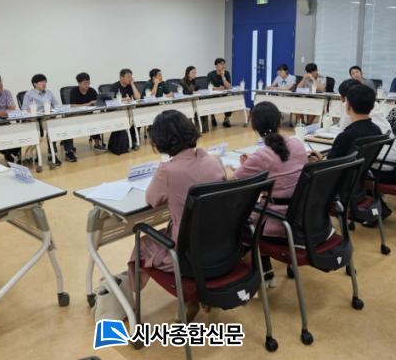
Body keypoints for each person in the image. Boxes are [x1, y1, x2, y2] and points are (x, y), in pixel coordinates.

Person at [128, 110, 225, 320]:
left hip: (187, 254)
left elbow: (152, 199)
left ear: (160, 141)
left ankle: (135, 302)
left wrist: (162, 169)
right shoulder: (214, 160)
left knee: (141, 247)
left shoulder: (168, 171)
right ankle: (198, 297)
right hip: (221, 244)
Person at [226, 101, 308, 287]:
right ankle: (266, 272)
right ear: (279, 120)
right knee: (258, 212)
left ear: (254, 127)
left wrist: (228, 168)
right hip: (301, 216)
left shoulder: (261, 156)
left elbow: (234, 179)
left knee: (242, 223)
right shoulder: (297, 144)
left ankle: (254, 275)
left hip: (280, 222)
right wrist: (252, 164)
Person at [22, 74, 76, 163]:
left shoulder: (48, 93)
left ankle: (69, 151)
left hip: (50, 117)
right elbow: (24, 110)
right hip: (38, 120)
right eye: (41, 82)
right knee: (51, 130)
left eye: (45, 82)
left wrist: (60, 109)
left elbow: (56, 106)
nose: (44, 84)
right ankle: (52, 154)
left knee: (66, 125)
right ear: (35, 84)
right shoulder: (29, 94)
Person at [321, 84, 381, 160]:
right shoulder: (377, 130)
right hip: (362, 167)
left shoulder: (345, 136)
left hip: (342, 167)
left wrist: (319, 159)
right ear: (372, 106)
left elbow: (330, 163)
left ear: (348, 106)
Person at [69, 72, 106, 151]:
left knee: (95, 121)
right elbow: (73, 106)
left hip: (89, 115)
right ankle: (69, 147)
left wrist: (97, 103)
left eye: (88, 83)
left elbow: (99, 102)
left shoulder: (91, 90)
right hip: (76, 116)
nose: (87, 85)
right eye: (85, 83)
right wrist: (88, 104)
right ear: (79, 83)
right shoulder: (74, 91)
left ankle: (97, 144)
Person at [110, 69, 141, 149]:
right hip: (119, 112)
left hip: (130, 110)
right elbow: (110, 101)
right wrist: (123, 99)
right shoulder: (115, 86)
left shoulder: (130, 85)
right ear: (121, 77)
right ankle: (127, 141)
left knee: (137, 118)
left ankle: (133, 140)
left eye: (131, 77)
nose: (130, 79)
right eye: (128, 77)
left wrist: (132, 84)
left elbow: (138, 97)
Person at [181, 66, 209, 132]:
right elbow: (184, 92)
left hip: (194, 100)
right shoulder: (182, 81)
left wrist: (195, 91)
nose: (195, 74)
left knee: (203, 107)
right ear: (188, 73)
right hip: (186, 102)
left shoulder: (194, 81)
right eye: (193, 73)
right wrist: (193, 92)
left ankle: (204, 128)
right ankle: (195, 129)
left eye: (195, 73)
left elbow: (198, 89)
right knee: (195, 110)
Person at [207, 58, 233, 127]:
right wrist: (218, 89)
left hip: (224, 95)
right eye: (221, 64)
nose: (223, 66)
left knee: (231, 101)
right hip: (214, 95)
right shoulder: (210, 74)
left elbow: (229, 87)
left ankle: (226, 119)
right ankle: (212, 117)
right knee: (210, 101)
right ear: (216, 66)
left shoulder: (226, 73)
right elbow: (210, 86)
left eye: (224, 64)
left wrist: (223, 76)